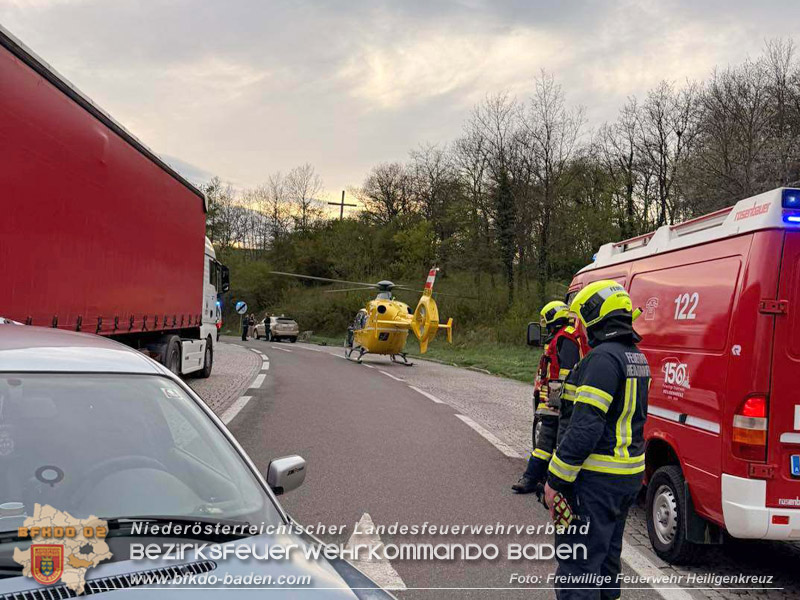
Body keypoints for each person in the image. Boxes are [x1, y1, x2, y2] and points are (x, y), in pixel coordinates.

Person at [544, 280, 649, 600]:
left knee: (578, 567)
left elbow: (586, 428)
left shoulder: (602, 360)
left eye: (579, 320)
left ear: (594, 317)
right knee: (605, 562)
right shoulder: (636, 356)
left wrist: (555, 479)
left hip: (596, 481)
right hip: (626, 478)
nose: (578, 328)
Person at [512, 301, 588, 494]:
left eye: (546, 323)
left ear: (553, 319)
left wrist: (556, 402)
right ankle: (540, 479)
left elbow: (565, 374)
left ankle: (532, 479)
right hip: (555, 402)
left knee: (546, 443)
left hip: (557, 404)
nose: (546, 328)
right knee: (548, 444)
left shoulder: (564, 338)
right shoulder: (565, 337)